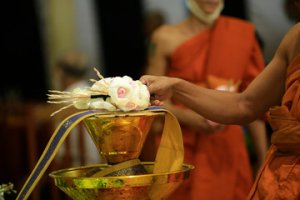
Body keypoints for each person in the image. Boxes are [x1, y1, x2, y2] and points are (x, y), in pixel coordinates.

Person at [140, 13, 300, 199]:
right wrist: (177, 87)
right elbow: (245, 104)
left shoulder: (240, 34)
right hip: (186, 140)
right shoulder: (295, 37)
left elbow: (252, 107)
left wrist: (260, 156)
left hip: (228, 143)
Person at [52, 51, 102, 167]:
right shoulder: (96, 94)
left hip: (71, 166)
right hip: (99, 162)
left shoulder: (63, 99)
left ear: (59, 73)